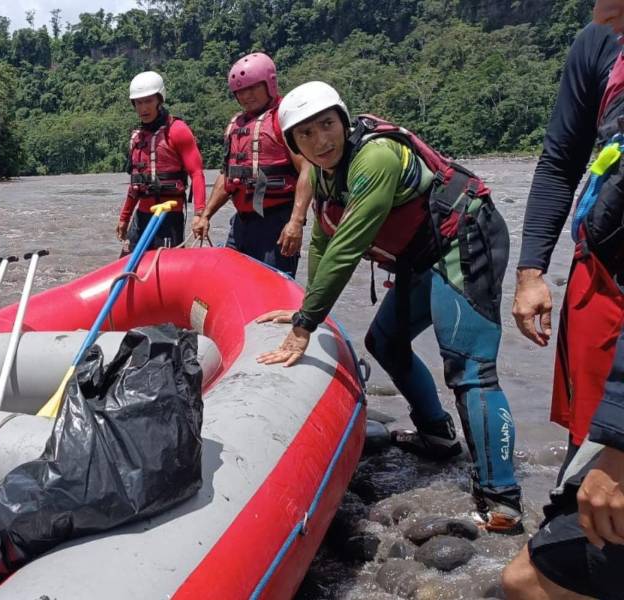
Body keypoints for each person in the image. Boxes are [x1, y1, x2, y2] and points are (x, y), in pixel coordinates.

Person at [254, 81, 523, 532]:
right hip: (423, 255)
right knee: (385, 341)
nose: (321, 141)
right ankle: (436, 435)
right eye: (306, 135)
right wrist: (305, 305)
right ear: (293, 145)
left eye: (327, 125)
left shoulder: (374, 159)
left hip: (465, 238)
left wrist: (305, 326)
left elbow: (349, 245)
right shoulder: (323, 173)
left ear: (343, 119)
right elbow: (322, 238)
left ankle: (502, 501)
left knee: (469, 368)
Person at [500, 3, 624, 596]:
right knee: (583, 445)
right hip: (595, 282)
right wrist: (530, 273)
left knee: (528, 580)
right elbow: (558, 162)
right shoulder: (597, 46)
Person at [193, 52, 313, 276]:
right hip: (241, 224)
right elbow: (226, 176)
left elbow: (308, 169)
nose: (246, 96)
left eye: (252, 88)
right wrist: (205, 215)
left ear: (269, 84)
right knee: (229, 283)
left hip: (276, 224)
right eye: (240, 91)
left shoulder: (284, 120)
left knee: (271, 291)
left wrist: (296, 222)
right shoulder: (236, 126)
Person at [117, 71, 207, 253]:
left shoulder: (178, 130)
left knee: (163, 272)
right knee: (127, 269)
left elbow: (197, 173)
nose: (143, 108)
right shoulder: (137, 138)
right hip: (141, 217)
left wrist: (200, 214)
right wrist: (124, 217)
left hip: (169, 217)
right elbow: (135, 184)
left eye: (148, 101)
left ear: (159, 100)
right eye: (139, 103)